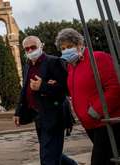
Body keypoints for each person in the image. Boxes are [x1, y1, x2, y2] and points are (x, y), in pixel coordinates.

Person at [55, 28, 120, 165]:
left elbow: (115, 87)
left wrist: (96, 110)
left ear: (79, 44)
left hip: (106, 122)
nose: (66, 50)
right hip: (90, 125)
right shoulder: (71, 67)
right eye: (63, 48)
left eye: (69, 46)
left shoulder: (98, 58)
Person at [14, 36, 77, 165]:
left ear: (41, 46)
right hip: (39, 116)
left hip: (55, 115)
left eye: (33, 47)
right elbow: (25, 89)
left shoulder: (54, 62)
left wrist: (43, 86)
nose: (30, 50)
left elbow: (66, 88)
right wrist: (18, 111)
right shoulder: (27, 66)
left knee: (47, 157)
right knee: (51, 152)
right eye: (27, 49)